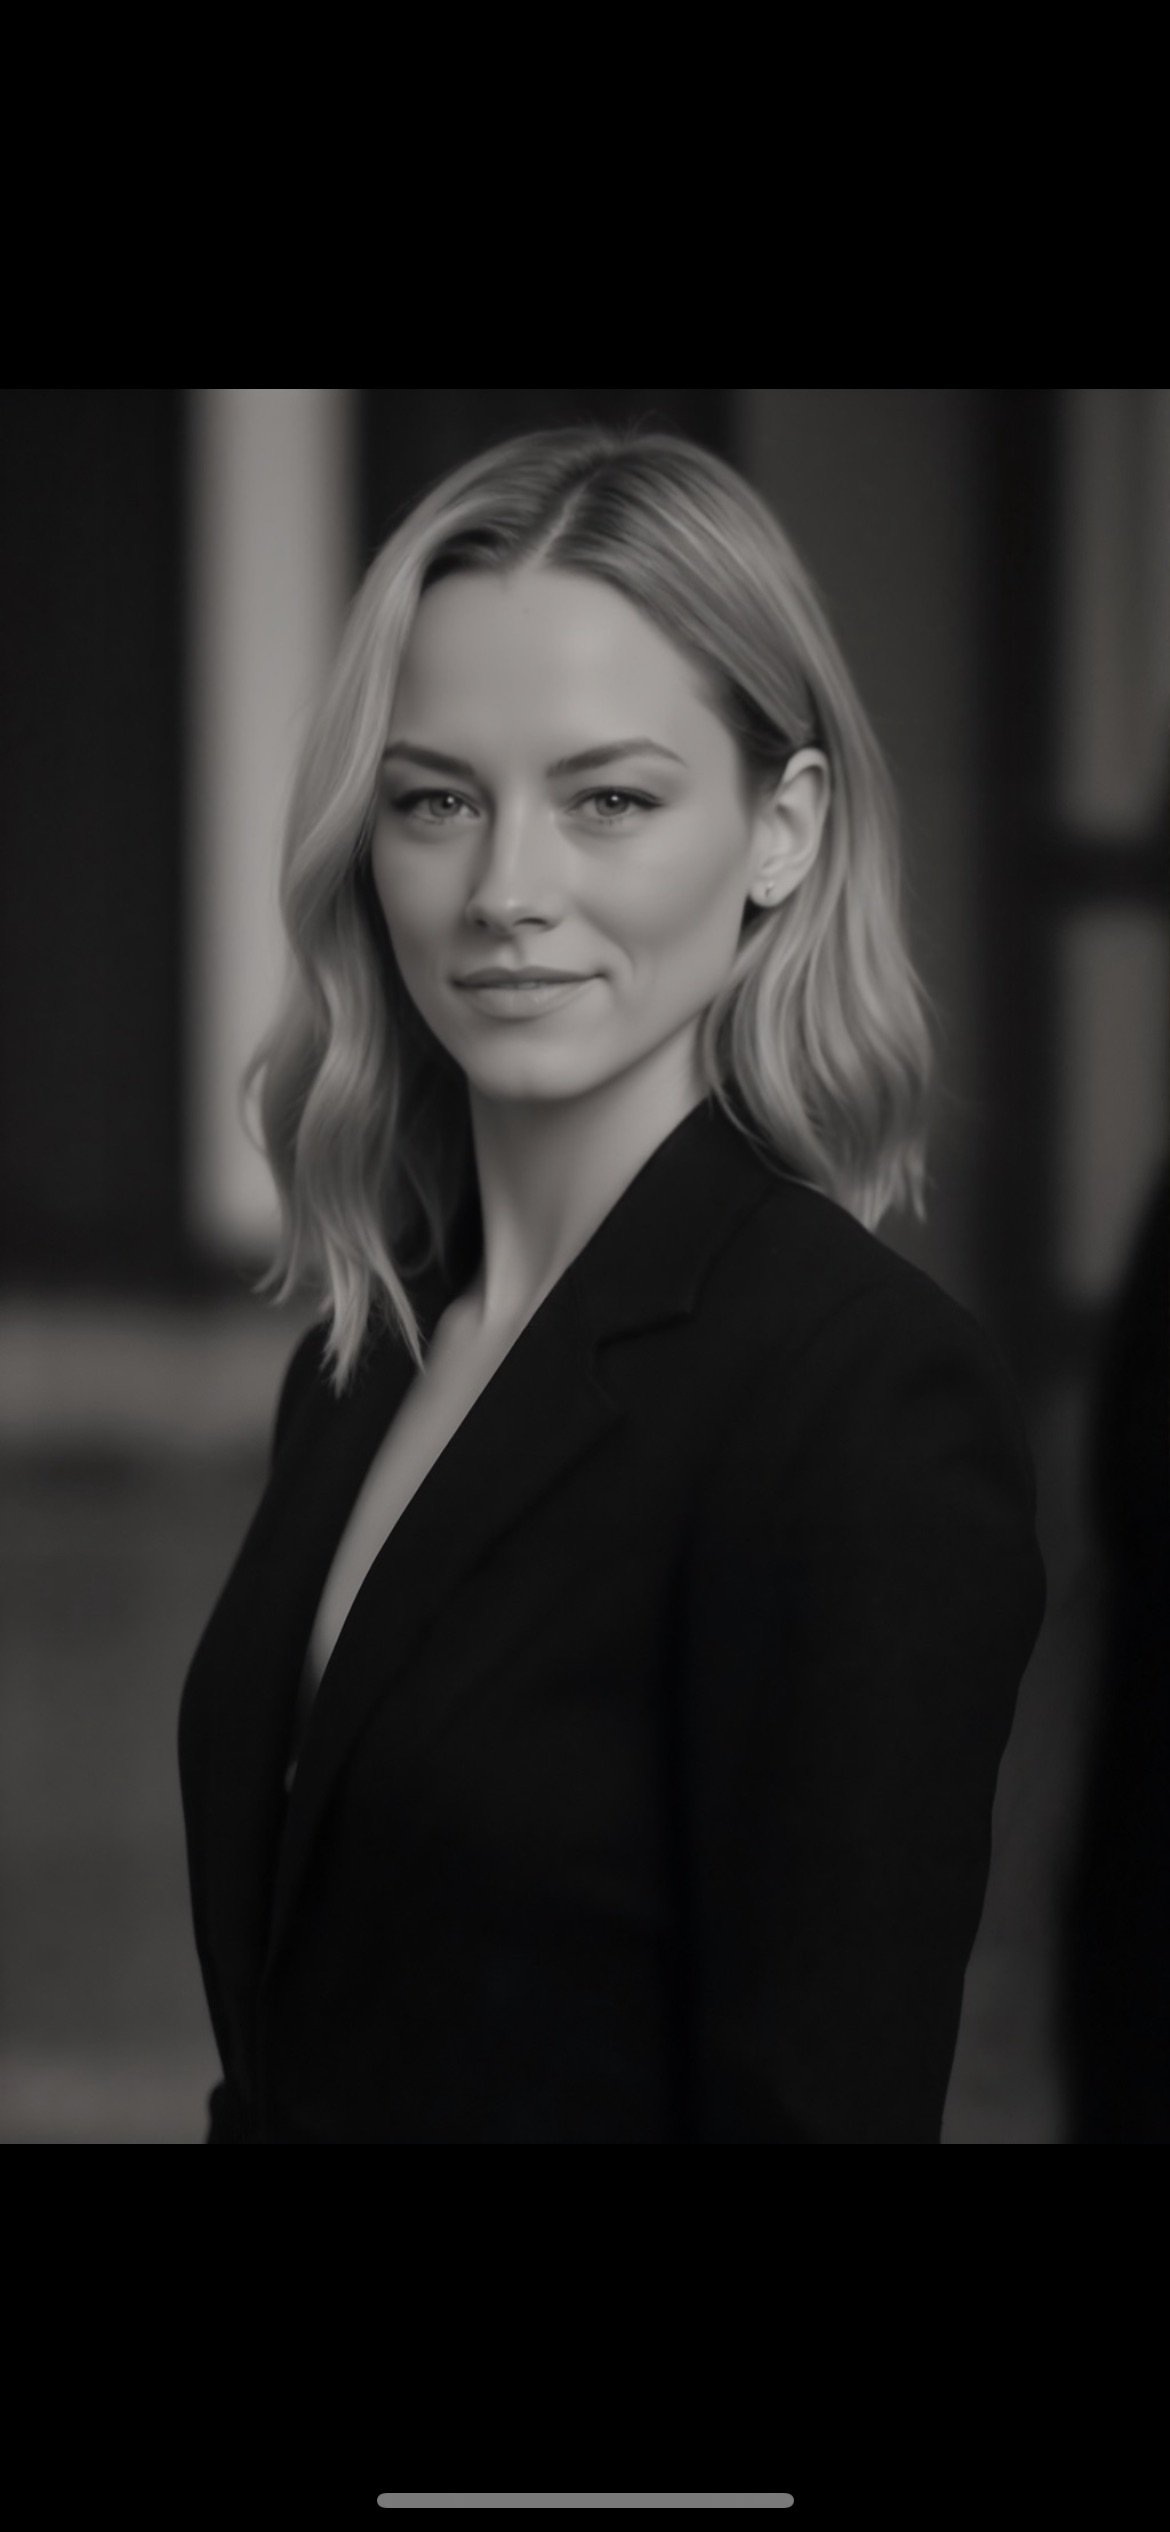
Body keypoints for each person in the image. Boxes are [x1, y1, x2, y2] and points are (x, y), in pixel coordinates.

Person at [177, 422, 1047, 2143]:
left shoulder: (860, 1401)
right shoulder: (363, 1355)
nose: (506, 891)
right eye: (437, 800)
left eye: (610, 801)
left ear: (781, 830)